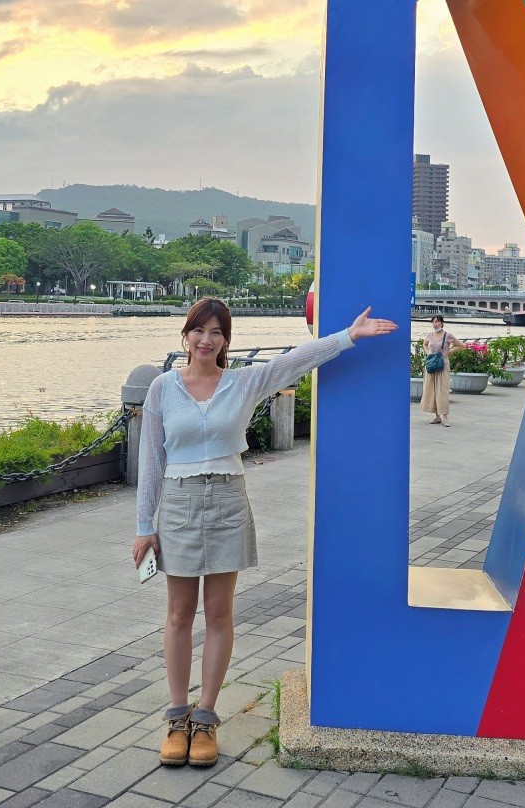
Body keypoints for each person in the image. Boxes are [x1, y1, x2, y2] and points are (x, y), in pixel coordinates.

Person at [132, 296, 397, 769]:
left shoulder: (242, 382)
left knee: (219, 615)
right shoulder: (161, 388)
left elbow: (293, 361)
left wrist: (347, 337)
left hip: (229, 500)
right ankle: (176, 717)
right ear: (186, 336)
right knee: (178, 614)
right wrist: (143, 527)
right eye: (199, 331)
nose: (206, 340)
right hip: (177, 503)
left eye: (216, 332)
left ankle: (207, 718)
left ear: (226, 340)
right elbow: (150, 460)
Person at [420, 314, 462, 426]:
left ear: (442, 323)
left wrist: (449, 352)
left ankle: (445, 417)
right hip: (431, 366)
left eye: (437, 321)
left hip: (443, 366)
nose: (435, 324)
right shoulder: (429, 335)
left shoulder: (447, 335)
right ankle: (437, 416)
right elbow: (424, 344)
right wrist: (428, 352)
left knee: (442, 391)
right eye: (433, 322)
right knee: (432, 391)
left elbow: (461, 345)